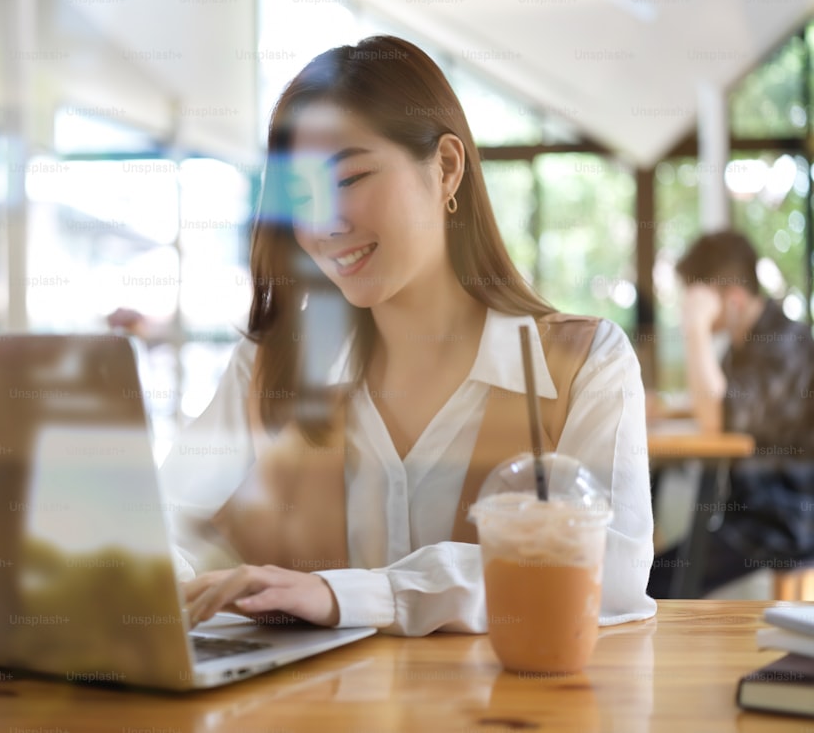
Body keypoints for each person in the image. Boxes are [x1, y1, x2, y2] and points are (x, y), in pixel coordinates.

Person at [149, 35, 656, 636]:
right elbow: (155, 525)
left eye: (350, 179)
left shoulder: (583, 363)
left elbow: (611, 571)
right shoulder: (271, 364)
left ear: (445, 168)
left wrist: (354, 596)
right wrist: (177, 589)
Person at [648, 230, 814, 597]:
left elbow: (719, 418)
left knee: (658, 582)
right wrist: (670, 410)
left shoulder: (785, 344)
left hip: (785, 522)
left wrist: (695, 329)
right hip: (755, 514)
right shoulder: (746, 346)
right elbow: (720, 404)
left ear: (733, 298)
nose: (686, 307)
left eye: (696, 297)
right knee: (657, 572)